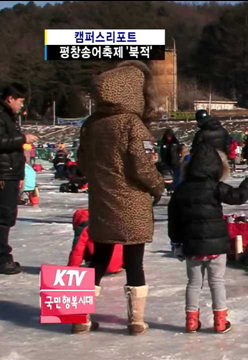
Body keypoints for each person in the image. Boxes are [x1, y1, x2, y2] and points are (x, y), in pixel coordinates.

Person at [76, 61, 165, 335]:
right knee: (134, 261)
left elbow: (82, 163)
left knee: (99, 258)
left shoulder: (92, 125)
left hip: (102, 202)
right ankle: (136, 320)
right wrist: (158, 186)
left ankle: (81, 316)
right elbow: (143, 165)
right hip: (132, 204)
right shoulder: (132, 124)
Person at [169, 141, 248, 334]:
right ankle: (220, 321)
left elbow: (174, 220)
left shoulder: (181, 189)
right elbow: (238, 196)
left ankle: (191, 322)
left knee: (193, 283)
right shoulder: (215, 187)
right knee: (216, 282)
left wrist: (176, 242)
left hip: (192, 245)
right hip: (216, 246)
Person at [0, 83, 38, 274]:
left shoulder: (6, 116)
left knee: (6, 216)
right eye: (20, 101)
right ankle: (1, 256)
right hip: (2, 173)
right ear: (10, 98)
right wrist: (22, 139)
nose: (22, 106)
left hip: (9, 173)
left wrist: (19, 175)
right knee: (3, 216)